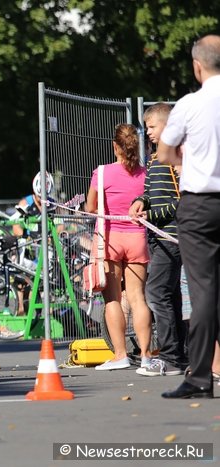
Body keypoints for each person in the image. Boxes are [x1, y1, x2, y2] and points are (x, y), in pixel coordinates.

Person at [157, 34, 220, 399]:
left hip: (200, 204)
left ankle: (199, 376)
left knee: (204, 289)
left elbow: (164, 153)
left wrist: (189, 160)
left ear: (198, 66)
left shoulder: (188, 104)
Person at [85, 123, 152, 371]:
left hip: (110, 238)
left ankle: (120, 355)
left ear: (115, 146)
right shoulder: (146, 174)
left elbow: (90, 208)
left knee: (112, 298)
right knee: (138, 298)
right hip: (137, 238)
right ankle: (146, 355)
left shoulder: (102, 173)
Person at [129, 103, 187, 377]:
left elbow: (182, 201)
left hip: (173, 236)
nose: (147, 132)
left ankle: (170, 357)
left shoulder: (177, 155)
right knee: (170, 295)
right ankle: (179, 355)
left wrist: (153, 214)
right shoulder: (154, 158)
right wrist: (140, 202)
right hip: (156, 237)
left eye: (152, 126)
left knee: (156, 293)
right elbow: (150, 191)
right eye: (146, 127)